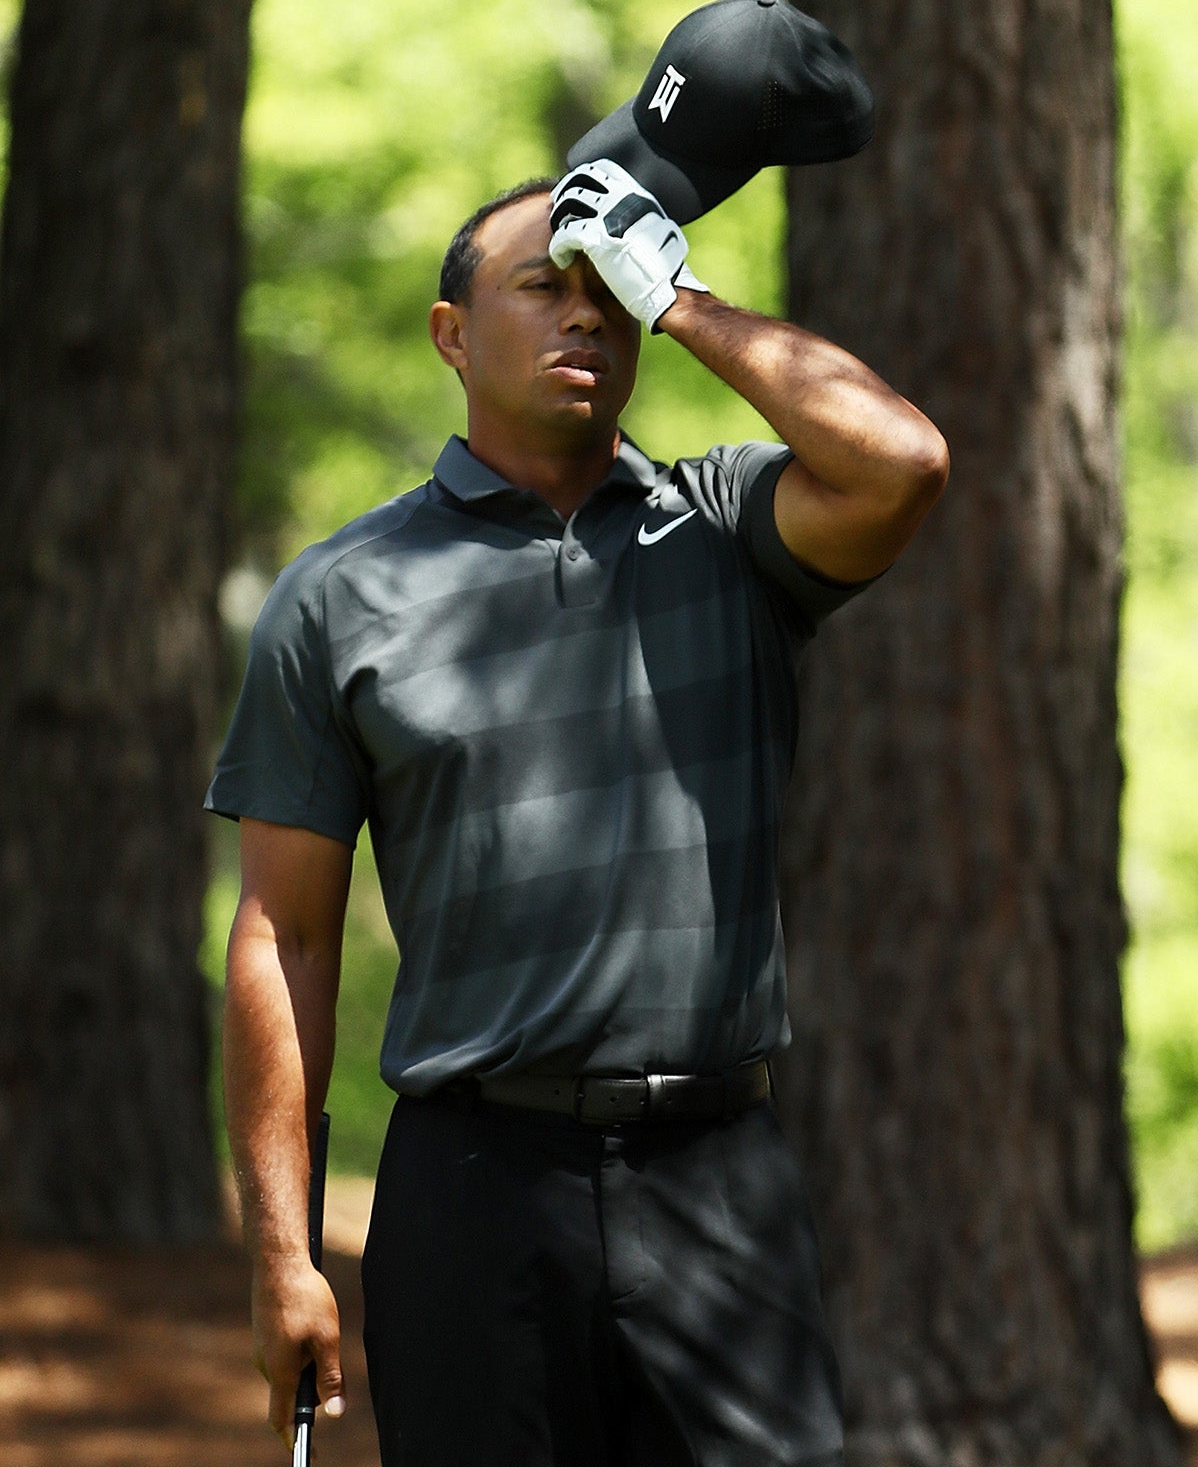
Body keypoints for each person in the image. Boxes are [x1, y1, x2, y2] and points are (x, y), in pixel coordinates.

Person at [211, 163, 947, 1465]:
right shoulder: (339, 598)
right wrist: (284, 1252)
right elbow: (286, 939)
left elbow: (904, 460)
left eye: (609, 292)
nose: (586, 317)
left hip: (722, 1181)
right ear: (451, 333)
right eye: (543, 287)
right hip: (471, 1193)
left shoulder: (724, 527)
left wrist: (689, 301)